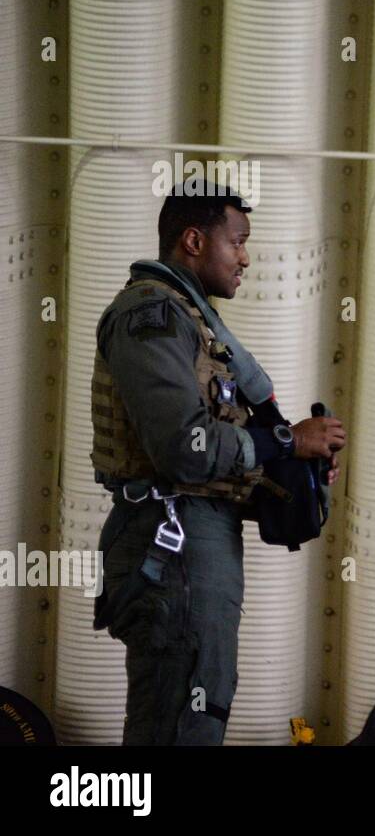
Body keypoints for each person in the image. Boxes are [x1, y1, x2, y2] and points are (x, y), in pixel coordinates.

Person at [90, 182, 347, 744]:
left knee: (198, 708)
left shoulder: (191, 320)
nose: (246, 257)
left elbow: (209, 454)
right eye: (238, 242)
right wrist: (285, 441)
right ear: (193, 241)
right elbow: (183, 448)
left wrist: (291, 479)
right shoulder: (153, 316)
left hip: (193, 537)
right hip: (171, 544)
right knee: (179, 721)